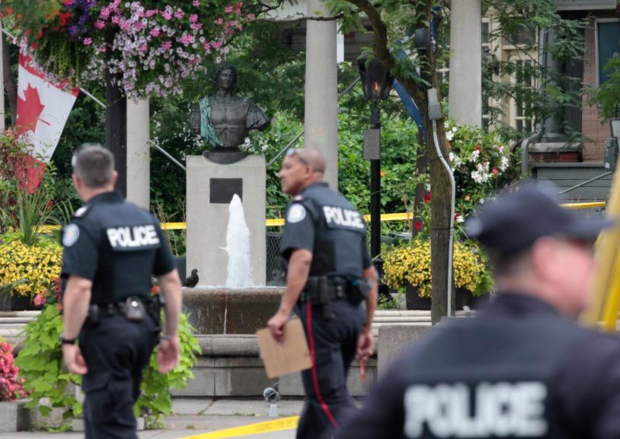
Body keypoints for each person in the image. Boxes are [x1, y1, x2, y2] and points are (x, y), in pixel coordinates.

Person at [334, 183, 620, 439]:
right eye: (582, 249)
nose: (593, 265)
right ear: (547, 259)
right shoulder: (596, 363)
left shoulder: (422, 361)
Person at [60, 143, 183, 439]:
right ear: (114, 178)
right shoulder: (145, 219)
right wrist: (171, 335)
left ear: (77, 181)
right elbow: (172, 282)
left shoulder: (87, 224)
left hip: (106, 336)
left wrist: (68, 340)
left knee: (111, 426)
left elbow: (79, 288)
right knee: (111, 414)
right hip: (142, 331)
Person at [267, 147, 379, 439]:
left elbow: (301, 259)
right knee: (321, 395)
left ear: (307, 171)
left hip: (321, 314)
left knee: (329, 398)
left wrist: (282, 313)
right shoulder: (349, 210)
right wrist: (366, 326)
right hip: (351, 316)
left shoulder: (303, 206)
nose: (281, 172)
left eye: (287, 166)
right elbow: (370, 275)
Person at [190, 62, 270, 164]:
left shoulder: (247, 105)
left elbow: (263, 123)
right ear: (217, 78)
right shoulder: (202, 107)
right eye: (224, 75)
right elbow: (196, 128)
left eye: (230, 76)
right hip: (212, 155)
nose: (227, 78)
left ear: (234, 79)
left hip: (238, 155)